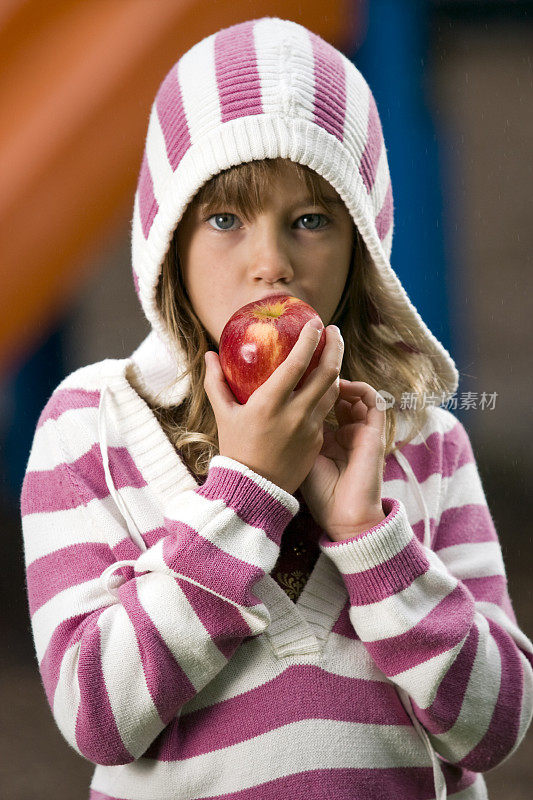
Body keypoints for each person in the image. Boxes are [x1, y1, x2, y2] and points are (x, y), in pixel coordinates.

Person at [20, 17, 532, 800]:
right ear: (168, 242)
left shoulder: (425, 440)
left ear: (360, 241)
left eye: (310, 220)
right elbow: (96, 714)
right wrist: (245, 491)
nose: (271, 264)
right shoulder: (88, 426)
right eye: (225, 219)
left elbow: (494, 727)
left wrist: (370, 540)